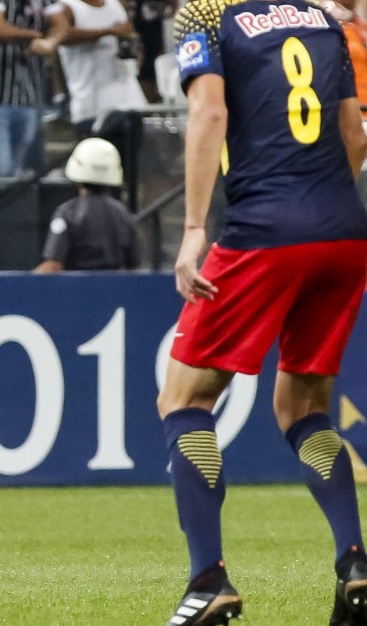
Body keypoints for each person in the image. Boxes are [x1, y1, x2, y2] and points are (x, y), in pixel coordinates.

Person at [161, 0, 367, 623]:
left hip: (261, 230)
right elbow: (353, 130)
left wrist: (195, 227)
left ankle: (207, 580)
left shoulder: (203, 14)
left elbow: (210, 110)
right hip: (344, 230)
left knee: (185, 400)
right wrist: (323, 210)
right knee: (303, 408)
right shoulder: (327, 18)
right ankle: (355, 565)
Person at [0, 0, 61, 178]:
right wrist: (36, 35)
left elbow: (60, 22)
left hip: (28, 97)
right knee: (0, 172)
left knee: (23, 175)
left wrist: (52, 41)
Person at [33, 137, 140, 272]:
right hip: (115, 290)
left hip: (75, 290)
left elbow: (54, 264)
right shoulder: (124, 214)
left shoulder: (67, 212)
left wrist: (24, 286)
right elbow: (134, 264)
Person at [51, 0, 146, 137]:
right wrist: (108, 31)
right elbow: (62, 35)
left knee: (132, 155)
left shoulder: (114, 4)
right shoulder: (66, 7)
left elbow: (128, 30)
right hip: (90, 106)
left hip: (128, 99)